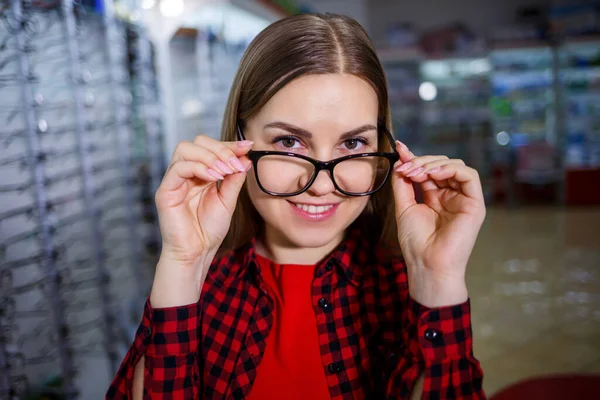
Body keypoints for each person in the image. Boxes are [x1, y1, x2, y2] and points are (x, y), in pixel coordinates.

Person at [106, 13, 486, 400]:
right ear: (240, 141)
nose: (320, 185)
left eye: (353, 144)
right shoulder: (202, 287)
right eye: (289, 142)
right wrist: (183, 263)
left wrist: (438, 277)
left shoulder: (403, 287)